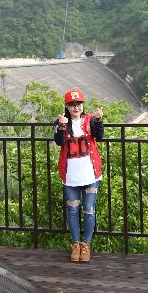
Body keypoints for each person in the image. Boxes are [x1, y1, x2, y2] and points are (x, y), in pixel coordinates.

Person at [54, 89, 104, 262]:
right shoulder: (61, 122)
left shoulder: (90, 120)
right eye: (72, 104)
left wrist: (99, 121)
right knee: (73, 211)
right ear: (67, 106)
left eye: (79, 104)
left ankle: (86, 244)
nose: (76, 107)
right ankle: (76, 244)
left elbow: (100, 137)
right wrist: (61, 126)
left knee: (89, 210)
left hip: (91, 174)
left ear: (83, 105)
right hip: (70, 177)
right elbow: (59, 142)